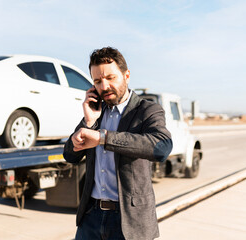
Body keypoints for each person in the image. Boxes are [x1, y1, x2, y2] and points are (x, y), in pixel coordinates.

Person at [63, 47, 173, 240]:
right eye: (97, 81)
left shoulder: (147, 110)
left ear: (126, 75)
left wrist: (103, 138)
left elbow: (162, 147)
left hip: (129, 222)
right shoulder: (95, 113)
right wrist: (88, 122)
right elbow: (69, 156)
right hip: (91, 218)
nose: (104, 86)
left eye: (110, 78)